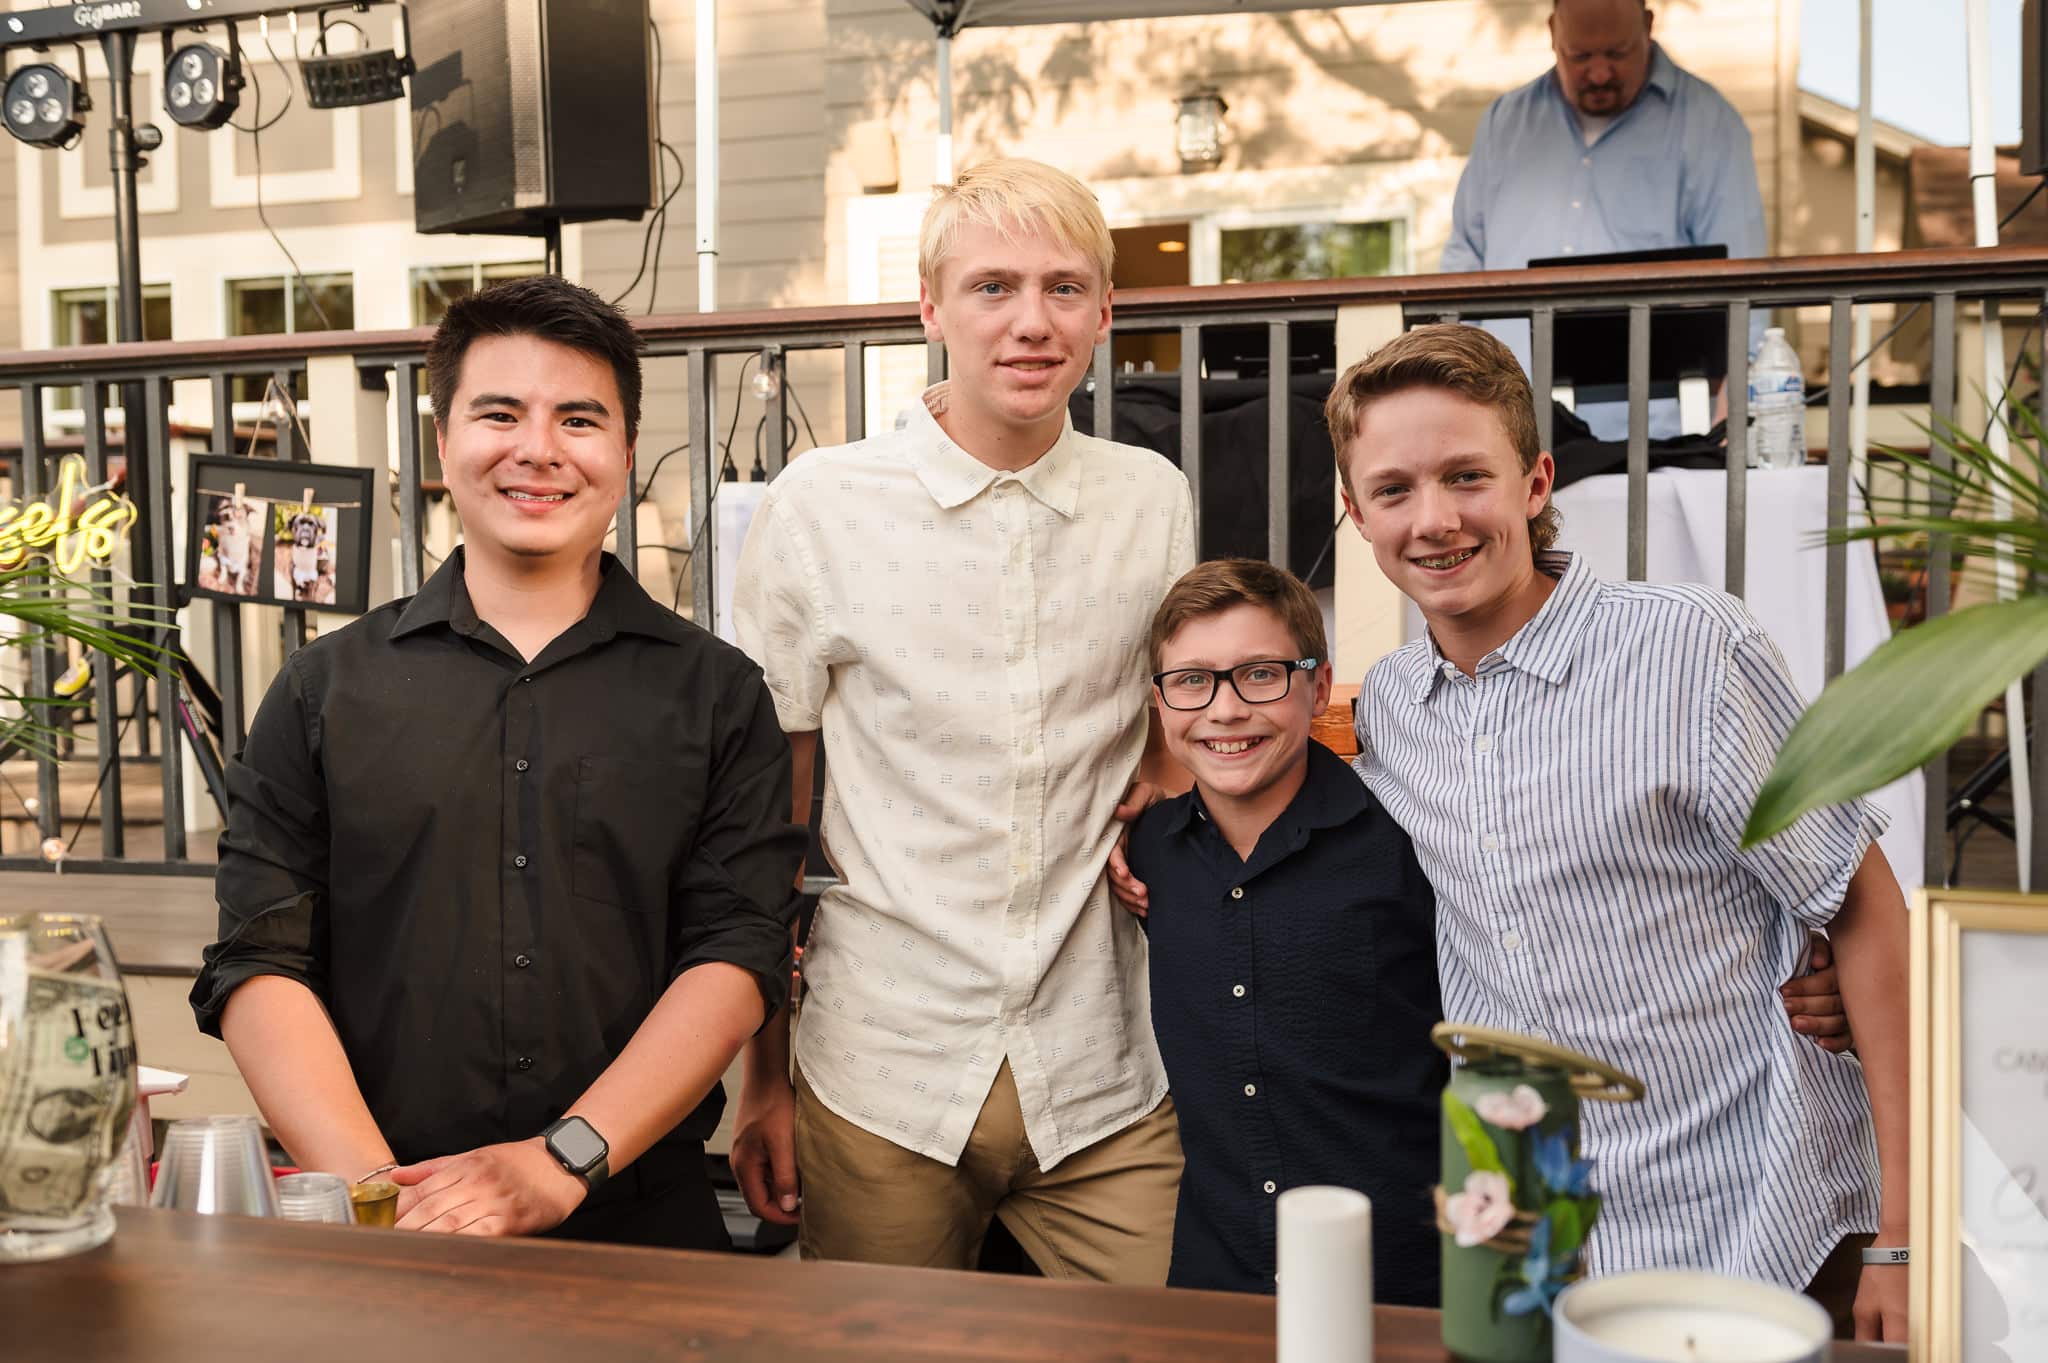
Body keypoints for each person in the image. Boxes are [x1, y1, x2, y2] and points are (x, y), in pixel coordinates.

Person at [190, 276, 806, 1248]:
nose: (538, 449)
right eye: (499, 413)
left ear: (626, 452)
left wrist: (560, 1159)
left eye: (577, 418)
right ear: (443, 444)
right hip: (381, 1233)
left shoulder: (719, 695)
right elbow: (258, 963)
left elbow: (735, 953)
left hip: (643, 1225)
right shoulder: (319, 692)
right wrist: (386, 1198)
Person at [1329, 323, 1909, 1341]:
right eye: (1392, 490)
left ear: (1535, 481)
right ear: (1354, 514)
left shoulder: (1690, 649)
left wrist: (1903, 1233)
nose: (1434, 520)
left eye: (1467, 476)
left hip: (1748, 1221)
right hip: (1530, 1233)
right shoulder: (1391, 706)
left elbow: (1859, 903)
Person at [729, 157, 1194, 1281]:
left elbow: (1169, 722)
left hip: (1104, 1067)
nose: (1031, 323)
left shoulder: (1152, 497)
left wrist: (1166, 771)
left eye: (1063, 288)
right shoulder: (820, 508)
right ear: (930, 308)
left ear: (1104, 312)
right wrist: (764, 1075)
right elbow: (762, 826)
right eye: (992, 288)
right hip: (883, 1065)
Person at [1125, 558, 1442, 1302]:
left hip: (1394, 1280)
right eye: (1192, 680)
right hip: (1218, 1277)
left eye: (1260, 674)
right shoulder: (1147, 853)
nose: (1225, 709)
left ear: (1318, 685)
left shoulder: (1407, 843)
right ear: (1160, 701)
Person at [1441, 0, 1766, 440]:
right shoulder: (1504, 122)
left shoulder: (1709, 122)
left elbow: (1741, 284)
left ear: (1648, 27)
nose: (1598, 74)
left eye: (1616, 54)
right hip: (1511, 427)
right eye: (1579, 56)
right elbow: (1464, 262)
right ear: (1553, 32)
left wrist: (1732, 428)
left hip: (1654, 436)